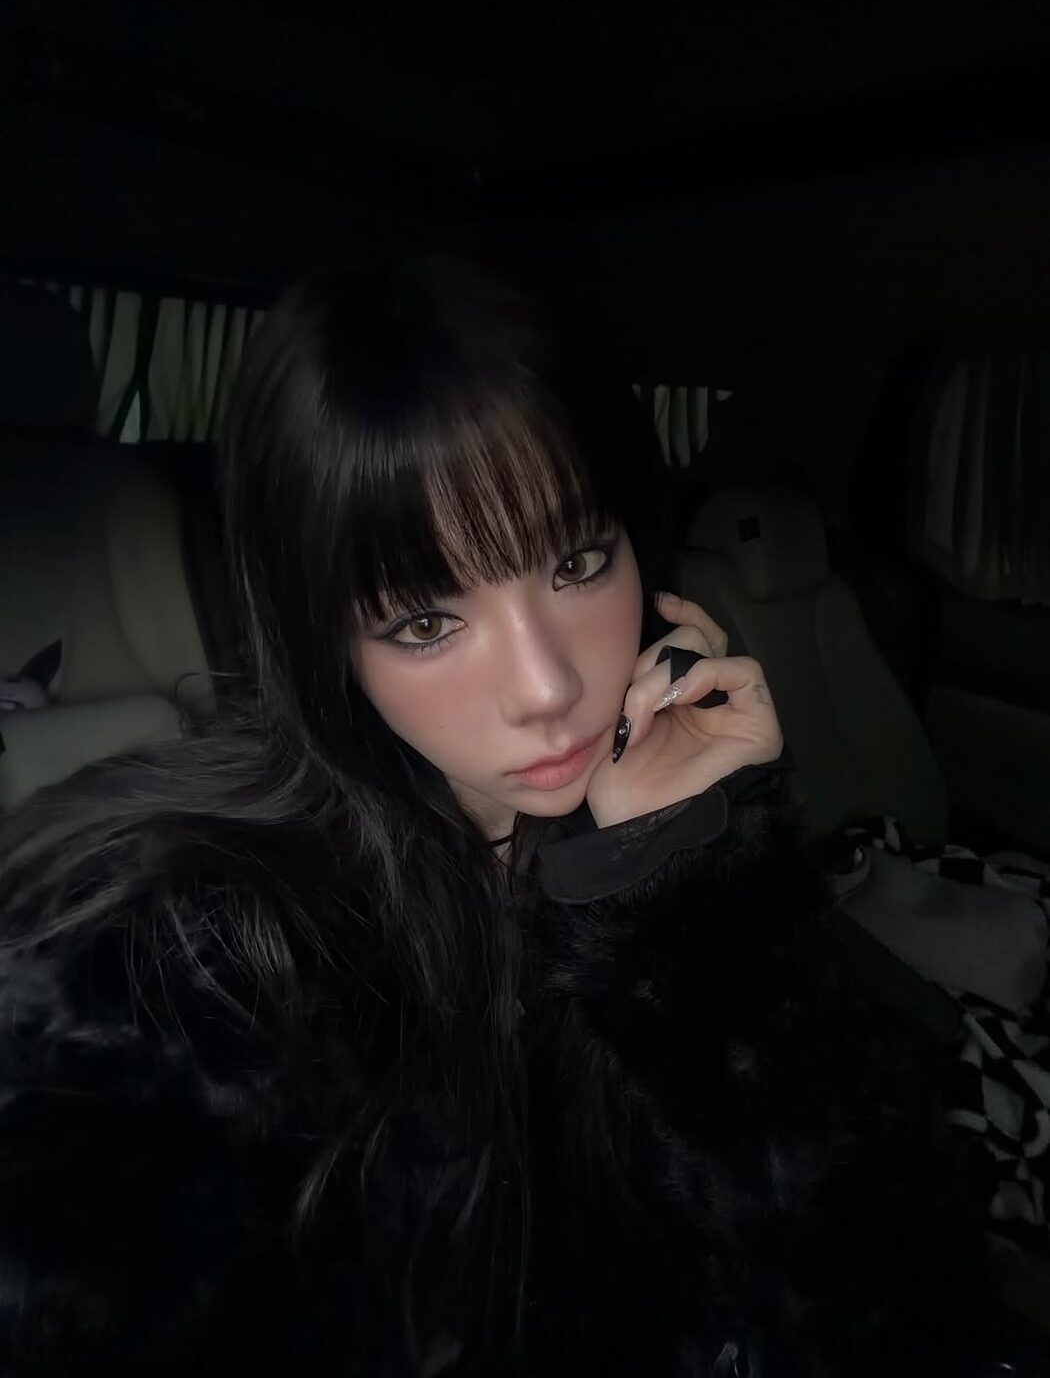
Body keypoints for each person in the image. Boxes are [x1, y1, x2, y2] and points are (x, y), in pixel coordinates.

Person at [0, 253, 1015, 1376]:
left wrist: (680, 876)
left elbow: (883, 1281)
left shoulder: (673, 810)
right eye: (426, 623)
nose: (546, 686)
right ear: (324, 644)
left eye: (577, 561)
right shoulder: (179, 960)